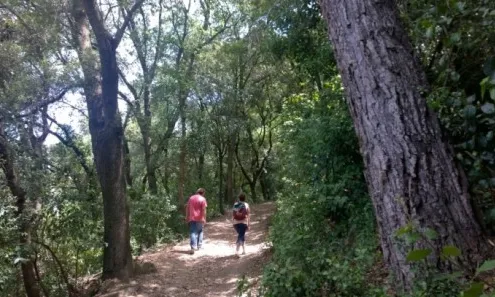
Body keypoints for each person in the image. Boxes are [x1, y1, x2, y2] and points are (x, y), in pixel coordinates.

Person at [186, 188, 207, 254]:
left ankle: (193, 247)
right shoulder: (203, 199)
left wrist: (187, 216)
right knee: (200, 231)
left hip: (192, 218)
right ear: (203, 193)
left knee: (193, 232)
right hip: (200, 218)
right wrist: (204, 218)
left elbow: (187, 208)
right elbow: (204, 210)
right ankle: (199, 246)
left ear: (197, 192)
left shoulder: (191, 198)